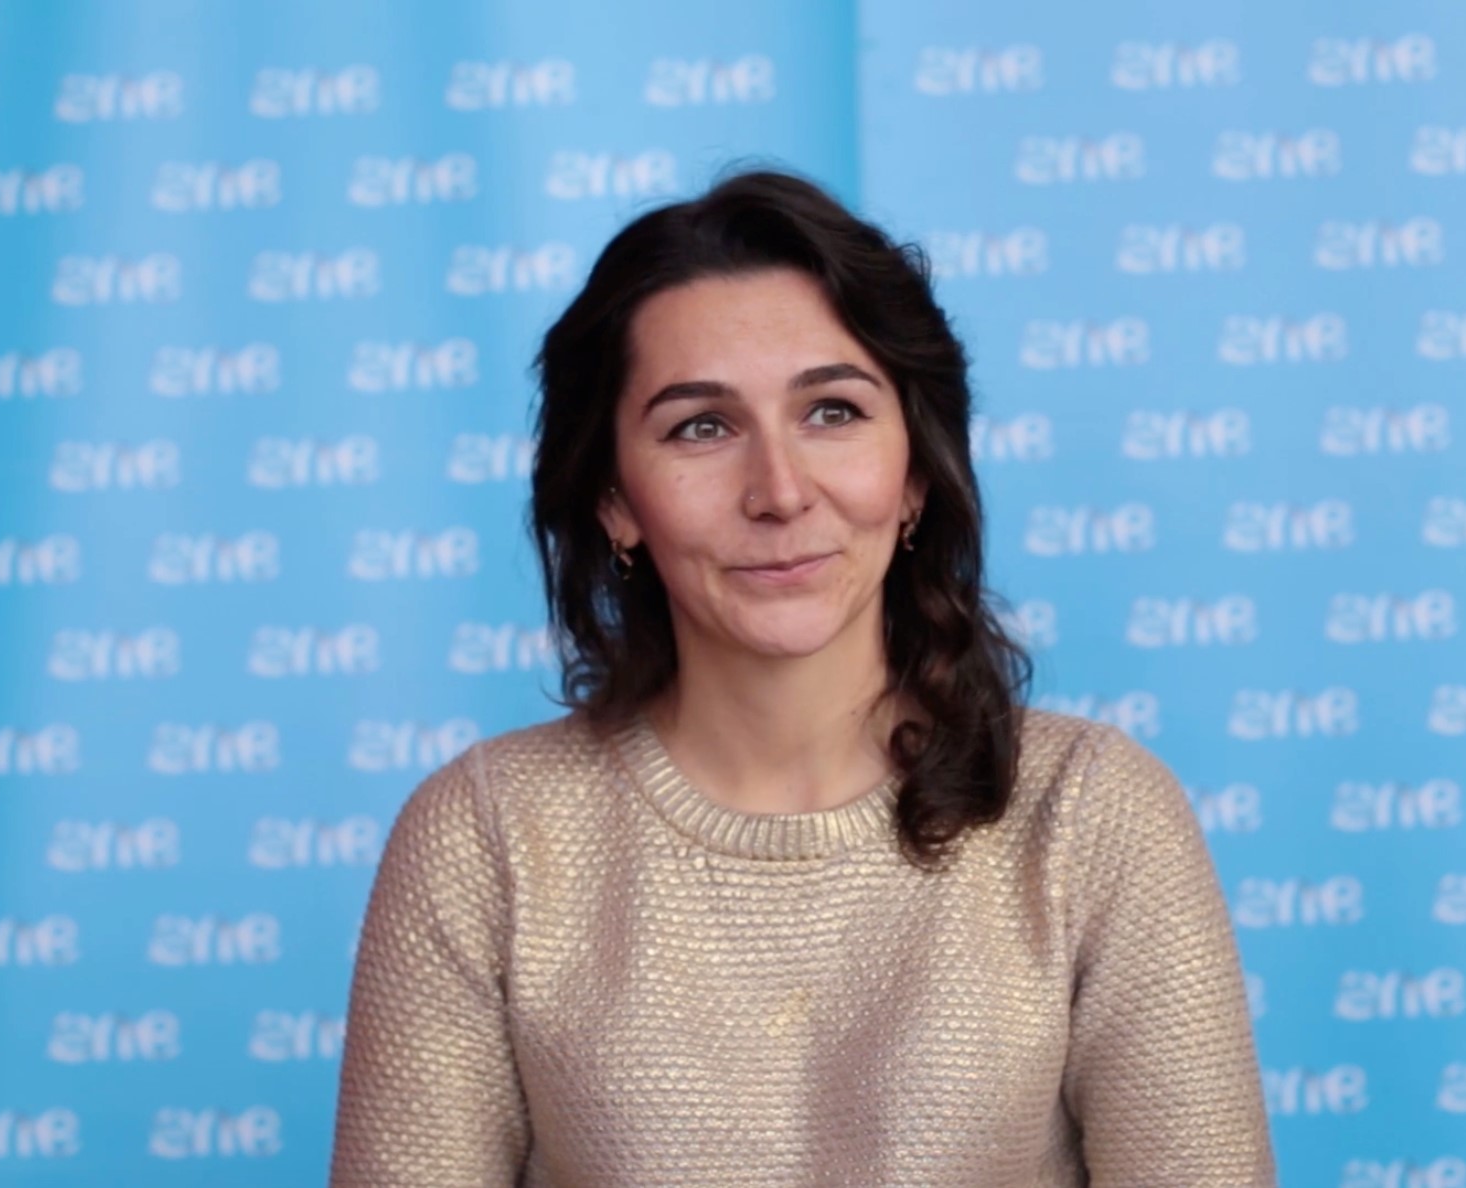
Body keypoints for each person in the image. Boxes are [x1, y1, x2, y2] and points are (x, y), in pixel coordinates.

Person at [328, 167, 1277, 1186]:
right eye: (701, 426)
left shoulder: (1095, 817)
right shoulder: (483, 837)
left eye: (831, 412)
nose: (779, 492)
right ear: (613, 500)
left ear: (915, 471)